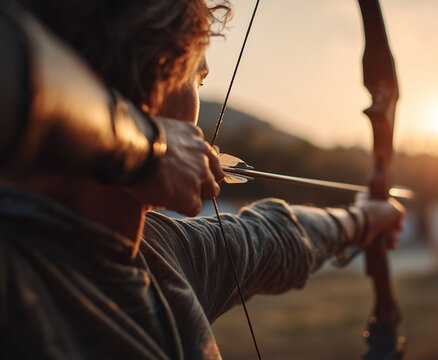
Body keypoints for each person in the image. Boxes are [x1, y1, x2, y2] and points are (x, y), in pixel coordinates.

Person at [0, 1, 405, 359]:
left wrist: (362, 221)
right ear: (157, 77)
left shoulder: (161, 253)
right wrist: (149, 149)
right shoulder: (18, 274)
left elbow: (274, 239)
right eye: (200, 78)